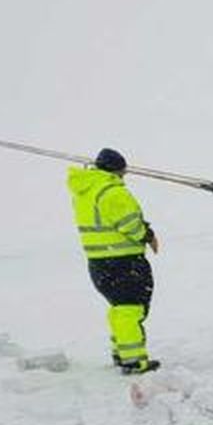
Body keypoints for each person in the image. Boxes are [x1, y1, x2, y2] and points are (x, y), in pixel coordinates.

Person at [67, 148, 160, 373]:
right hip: (123, 262)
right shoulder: (112, 192)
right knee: (131, 309)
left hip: (100, 263)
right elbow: (130, 224)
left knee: (120, 309)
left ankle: (122, 353)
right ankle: (134, 361)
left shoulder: (86, 192)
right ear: (117, 169)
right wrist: (148, 235)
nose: (124, 175)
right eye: (123, 171)